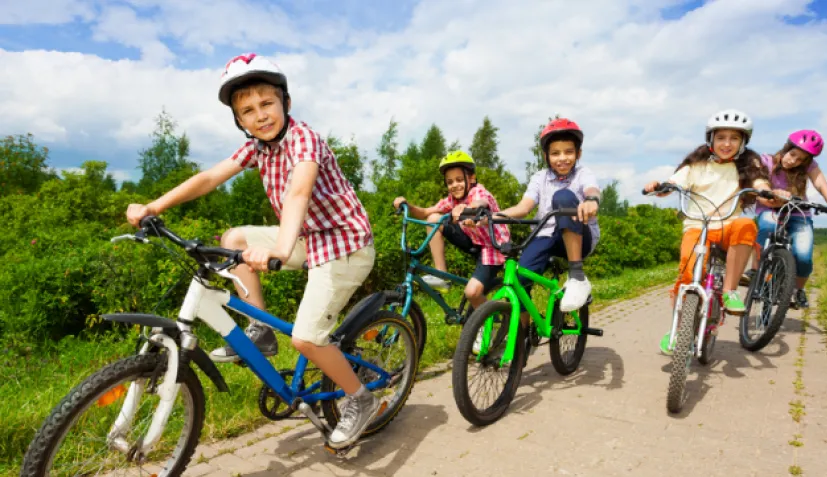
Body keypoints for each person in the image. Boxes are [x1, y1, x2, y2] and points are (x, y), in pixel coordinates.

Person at [126, 53, 378, 449]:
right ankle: (261, 331)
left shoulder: (303, 139)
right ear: (239, 120)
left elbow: (299, 192)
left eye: (267, 104)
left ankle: (361, 399)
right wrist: (153, 206)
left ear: (286, 103)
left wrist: (279, 248)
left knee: (306, 339)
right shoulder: (258, 148)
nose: (260, 116)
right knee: (234, 240)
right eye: (248, 111)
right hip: (308, 238)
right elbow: (211, 177)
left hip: (344, 244)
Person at [644, 109, 775, 355]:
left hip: (728, 226)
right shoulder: (695, 165)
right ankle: (677, 329)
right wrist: (659, 186)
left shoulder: (748, 165)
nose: (727, 143)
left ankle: (730, 291)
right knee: (687, 274)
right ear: (711, 139)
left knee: (746, 224)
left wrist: (768, 192)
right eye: (721, 137)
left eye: (734, 138)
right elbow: (673, 184)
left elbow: (760, 183)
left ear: (743, 142)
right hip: (697, 225)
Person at [393, 151, 510, 351]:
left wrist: (467, 208)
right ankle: (443, 276)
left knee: (472, 292)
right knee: (433, 219)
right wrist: (406, 205)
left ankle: (485, 325)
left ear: (471, 178)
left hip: (492, 247)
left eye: (459, 180)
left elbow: (480, 203)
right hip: (473, 241)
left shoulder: (478, 192)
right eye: (449, 182)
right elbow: (425, 212)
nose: (454, 185)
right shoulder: (451, 200)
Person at [499, 118, 600, 316]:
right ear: (546, 156)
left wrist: (591, 201)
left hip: (579, 236)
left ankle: (577, 276)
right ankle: (522, 332)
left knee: (562, 196)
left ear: (578, 154)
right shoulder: (540, 178)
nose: (562, 158)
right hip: (545, 236)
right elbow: (523, 207)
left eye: (568, 152)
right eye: (555, 153)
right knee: (518, 281)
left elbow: (592, 189)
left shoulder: (583, 173)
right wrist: (494, 215)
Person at [741, 129, 827, 308]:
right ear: (786, 148)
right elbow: (758, 183)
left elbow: (822, 186)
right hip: (770, 209)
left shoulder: (809, 167)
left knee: (803, 256)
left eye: (800, 160)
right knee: (767, 227)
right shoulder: (766, 161)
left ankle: (798, 289)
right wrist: (771, 194)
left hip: (798, 212)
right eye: (792, 154)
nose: (793, 161)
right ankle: (755, 270)